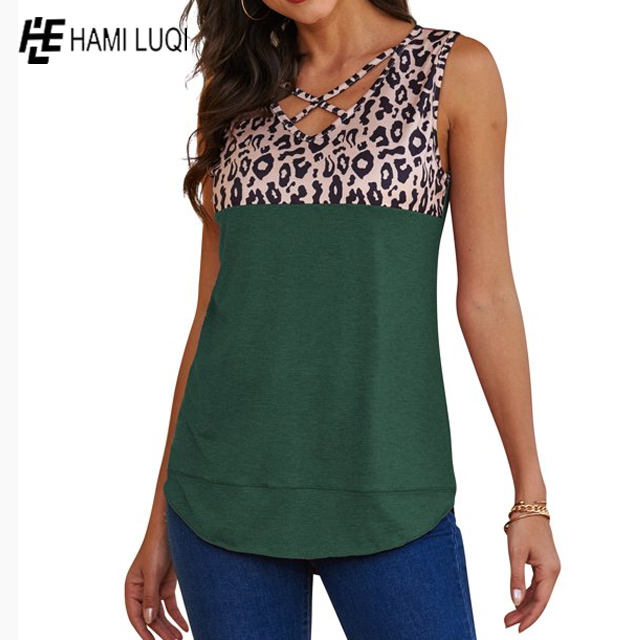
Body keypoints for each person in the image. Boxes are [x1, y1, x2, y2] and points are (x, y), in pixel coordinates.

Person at [124, 0, 561, 638]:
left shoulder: (455, 70)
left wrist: (530, 497)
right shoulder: (238, 85)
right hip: (220, 501)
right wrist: (159, 518)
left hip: (391, 494)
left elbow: (487, 296)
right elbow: (212, 317)